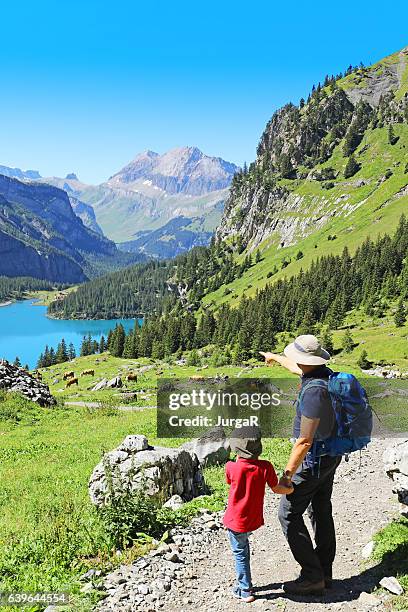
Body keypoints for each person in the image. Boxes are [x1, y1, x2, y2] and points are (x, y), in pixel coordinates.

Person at [260, 334, 341, 596]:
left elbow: (304, 440)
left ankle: (312, 576)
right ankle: (325, 573)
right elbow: (295, 366)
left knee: (288, 514)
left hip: (313, 459)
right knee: (320, 508)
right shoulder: (323, 374)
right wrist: (274, 358)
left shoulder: (314, 392)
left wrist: (286, 476)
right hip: (331, 454)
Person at [223, 426, 294, 603]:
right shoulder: (265, 467)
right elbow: (277, 488)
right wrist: (290, 488)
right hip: (252, 519)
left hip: (235, 520)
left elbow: (229, 482)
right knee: (243, 547)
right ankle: (244, 583)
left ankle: (245, 589)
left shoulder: (231, 467)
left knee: (239, 552)